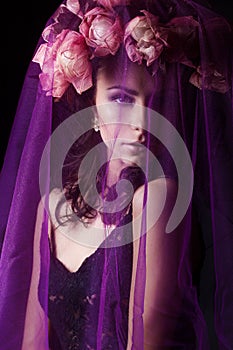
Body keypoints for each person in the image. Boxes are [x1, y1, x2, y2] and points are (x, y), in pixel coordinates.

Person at [0, 0, 233, 349]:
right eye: (122, 100)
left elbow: (148, 338)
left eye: (155, 104)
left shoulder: (158, 198)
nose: (141, 124)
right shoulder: (51, 208)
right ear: (91, 105)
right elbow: (33, 340)